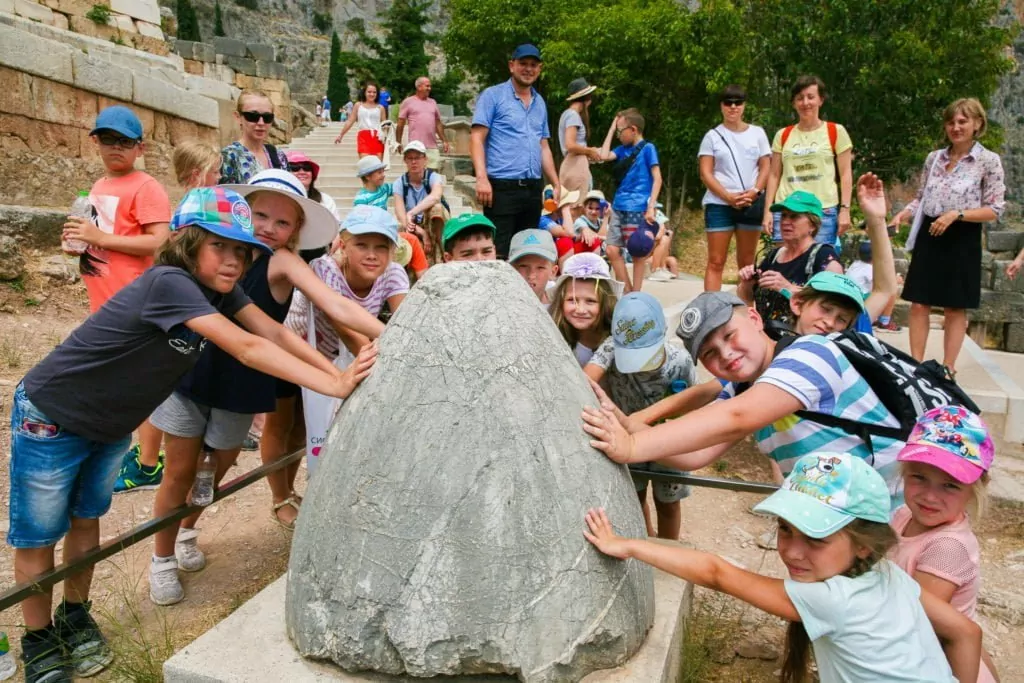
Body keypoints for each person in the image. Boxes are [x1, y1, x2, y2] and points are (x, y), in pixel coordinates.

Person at [9, 186, 376, 682]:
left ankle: (75, 616)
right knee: (39, 534)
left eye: (241, 250)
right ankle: (38, 638)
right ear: (187, 242)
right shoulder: (170, 282)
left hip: (110, 422)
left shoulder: (222, 291)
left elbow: (273, 332)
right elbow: (247, 347)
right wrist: (333, 383)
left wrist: (341, 372)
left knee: (85, 521)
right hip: (54, 414)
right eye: (218, 245)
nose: (233, 260)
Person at [148, 171, 385, 599]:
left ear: (295, 231)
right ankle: (161, 557)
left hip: (243, 384)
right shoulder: (216, 250)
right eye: (260, 215)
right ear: (243, 212)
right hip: (191, 373)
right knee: (179, 471)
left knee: (213, 471)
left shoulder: (282, 262)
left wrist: (393, 334)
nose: (269, 228)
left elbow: (335, 305)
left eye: (282, 222)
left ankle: (186, 530)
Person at [583, 452, 983, 683]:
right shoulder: (885, 574)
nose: (792, 551)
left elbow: (715, 572)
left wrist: (627, 545)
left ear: (863, 545)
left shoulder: (833, 599)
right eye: (785, 529)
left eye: (816, 539)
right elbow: (966, 632)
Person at [582, 289, 910, 499]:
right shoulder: (745, 387)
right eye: (709, 353)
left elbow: (735, 417)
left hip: (900, 505)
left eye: (729, 335)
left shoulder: (810, 353)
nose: (725, 354)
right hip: (846, 513)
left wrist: (632, 445)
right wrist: (626, 424)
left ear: (754, 318)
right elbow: (696, 455)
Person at [113, 140, 222, 495]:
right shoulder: (196, 212)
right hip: (179, 310)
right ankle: (149, 461)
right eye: (215, 171)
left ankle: (149, 458)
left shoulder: (182, 209)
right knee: (161, 386)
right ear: (198, 174)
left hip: (174, 308)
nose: (219, 178)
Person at [284, 206, 408, 477]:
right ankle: (282, 493)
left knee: (331, 424)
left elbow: (405, 325)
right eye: (361, 245)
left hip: (347, 355)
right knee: (291, 426)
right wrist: (383, 366)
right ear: (343, 245)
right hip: (298, 349)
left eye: (381, 247)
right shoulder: (325, 269)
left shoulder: (394, 273)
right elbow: (341, 324)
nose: (372, 255)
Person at [890, 98, 1005, 376]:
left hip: (962, 236)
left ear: (977, 124)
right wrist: (904, 213)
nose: (956, 127)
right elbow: (922, 197)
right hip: (931, 232)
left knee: (955, 305)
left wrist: (957, 214)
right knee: (919, 301)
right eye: (951, 122)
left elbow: (995, 209)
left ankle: (948, 368)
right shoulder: (934, 158)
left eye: (963, 121)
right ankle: (916, 365)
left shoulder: (988, 161)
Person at [891, 406, 1000, 683]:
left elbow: (913, 620)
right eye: (919, 477)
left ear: (976, 488)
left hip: (938, 666)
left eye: (950, 485)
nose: (930, 496)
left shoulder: (947, 547)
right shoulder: (904, 515)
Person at [584, 293, 696, 540]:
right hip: (625, 439)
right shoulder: (610, 348)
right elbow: (586, 379)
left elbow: (691, 403)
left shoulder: (681, 361)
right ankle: (645, 541)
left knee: (668, 503)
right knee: (633, 499)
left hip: (669, 442)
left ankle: (668, 549)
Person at [62, 105, 171, 314]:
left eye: (125, 141)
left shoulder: (147, 187)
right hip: (101, 295)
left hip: (131, 298)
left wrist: (101, 238)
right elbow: (97, 233)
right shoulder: (99, 185)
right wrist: (78, 240)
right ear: (96, 141)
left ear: (140, 148)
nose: (116, 146)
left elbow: (160, 242)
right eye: (108, 139)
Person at [471, 43, 561, 259]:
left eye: (533, 65)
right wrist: (481, 178)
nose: (528, 69)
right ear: (512, 65)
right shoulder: (493, 96)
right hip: (502, 187)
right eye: (523, 63)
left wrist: (556, 183)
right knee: (498, 252)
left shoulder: (540, 102)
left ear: (539, 69)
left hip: (532, 188)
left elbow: (543, 145)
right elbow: (476, 138)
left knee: (527, 252)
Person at [762, 75, 853, 246]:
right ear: (794, 103)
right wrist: (767, 211)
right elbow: (774, 175)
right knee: (785, 260)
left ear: (820, 100)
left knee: (818, 261)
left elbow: (846, 173)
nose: (805, 103)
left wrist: (845, 209)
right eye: (800, 98)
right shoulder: (783, 135)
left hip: (822, 210)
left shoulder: (835, 131)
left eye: (811, 97)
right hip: (787, 208)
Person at [738, 191, 842, 338]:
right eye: (784, 216)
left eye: (794, 216)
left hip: (800, 344)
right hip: (765, 341)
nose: (786, 221)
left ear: (812, 225)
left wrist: (787, 288)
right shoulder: (774, 256)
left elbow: (834, 308)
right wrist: (746, 284)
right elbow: (747, 299)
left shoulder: (824, 258)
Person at [698, 85, 771, 291]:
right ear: (721, 106)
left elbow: (766, 166)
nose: (733, 107)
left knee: (747, 264)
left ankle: (745, 306)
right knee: (716, 260)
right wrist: (728, 197)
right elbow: (706, 173)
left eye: (737, 102)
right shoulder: (712, 136)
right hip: (719, 204)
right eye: (728, 102)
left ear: (744, 105)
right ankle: (711, 306)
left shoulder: (757, 133)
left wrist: (755, 191)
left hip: (751, 203)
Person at [595, 107, 662, 293]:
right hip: (619, 205)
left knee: (637, 251)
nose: (618, 136)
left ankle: (636, 293)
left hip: (637, 206)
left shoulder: (648, 149)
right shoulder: (621, 150)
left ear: (633, 129)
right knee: (611, 249)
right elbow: (603, 156)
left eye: (620, 131)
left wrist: (651, 206)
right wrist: (612, 127)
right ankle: (628, 290)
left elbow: (657, 178)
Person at [351, 154, 430, 275]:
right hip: (374, 234)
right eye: (379, 172)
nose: (383, 175)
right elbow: (361, 222)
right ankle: (423, 276)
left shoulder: (384, 189)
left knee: (412, 240)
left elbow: (399, 188)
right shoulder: (361, 199)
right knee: (412, 240)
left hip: (386, 231)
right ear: (367, 176)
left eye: (383, 171)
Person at [549, 253, 622, 366]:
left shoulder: (619, 337)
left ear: (606, 303)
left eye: (590, 301)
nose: (580, 310)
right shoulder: (553, 336)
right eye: (572, 300)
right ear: (561, 301)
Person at [394, 140, 449, 262]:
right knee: (398, 228)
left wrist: (411, 212)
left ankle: (445, 250)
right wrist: (422, 233)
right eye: (410, 158)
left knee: (437, 208)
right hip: (414, 226)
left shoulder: (433, 177)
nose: (414, 162)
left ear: (425, 159)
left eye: (417, 158)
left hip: (432, 222)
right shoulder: (399, 183)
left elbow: (435, 196)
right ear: (405, 161)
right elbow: (400, 214)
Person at [219, 90, 287, 184]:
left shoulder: (279, 155)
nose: (261, 123)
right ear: (238, 117)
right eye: (253, 116)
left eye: (267, 117)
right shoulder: (229, 156)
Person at [284, 150, 340, 262]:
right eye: (295, 168)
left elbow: (336, 228)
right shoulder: (281, 199)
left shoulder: (325, 199)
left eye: (306, 168)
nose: (302, 171)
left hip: (318, 253)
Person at [558, 77, 601, 205]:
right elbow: (570, 145)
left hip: (571, 165)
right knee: (578, 206)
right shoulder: (573, 115)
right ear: (586, 98)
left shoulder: (567, 114)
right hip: (575, 166)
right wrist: (589, 151)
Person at [396, 76, 450, 170]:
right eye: (427, 86)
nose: (429, 88)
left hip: (432, 147)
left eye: (430, 86)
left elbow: (437, 123)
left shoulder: (433, 102)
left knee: (433, 175)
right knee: (416, 174)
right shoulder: (408, 102)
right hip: (415, 146)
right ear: (419, 87)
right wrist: (398, 142)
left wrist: (444, 140)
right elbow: (400, 123)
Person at [847, 241, 901, 332]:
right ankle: (884, 322)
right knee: (891, 292)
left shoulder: (855, 264)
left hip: (851, 296)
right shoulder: (870, 268)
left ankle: (874, 318)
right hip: (859, 299)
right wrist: (896, 279)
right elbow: (884, 283)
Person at [334, 82, 387, 159]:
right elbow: (350, 121)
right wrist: (341, 135)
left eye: (374, 92)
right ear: (364, 92)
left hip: (378, 138)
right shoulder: (358, 105)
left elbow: (384, 125)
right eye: (369, 92)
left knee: (377, 165)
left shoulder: (380, 108)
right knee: (365, 163)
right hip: (363, 137)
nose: (372, 94)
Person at [508, 229, 558, 308]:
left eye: (540, 268)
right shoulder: (499, 302)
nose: (531, 276)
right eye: (523, 266)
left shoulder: (561, 306)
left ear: (553, 272)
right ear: (510, 268)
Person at [647, 203, 679, 281]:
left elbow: (666, 251)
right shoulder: (646, 222)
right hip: (646, 255)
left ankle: (663, 269)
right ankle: (655, 270)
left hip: (657, 255)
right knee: (664, 239)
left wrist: (667, 235)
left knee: (672, 260)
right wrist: (661, 231)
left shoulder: (657, 219)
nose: (656, 210)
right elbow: (657, 237)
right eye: (655, 209)